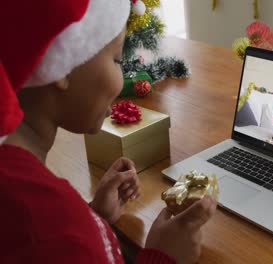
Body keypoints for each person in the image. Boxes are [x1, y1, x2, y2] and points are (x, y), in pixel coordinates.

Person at [0, 1, 217, 263]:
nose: (123, 77)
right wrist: (163, 256)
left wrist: (94, 217)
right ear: (63, 63)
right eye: (117, 59)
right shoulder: (57, 229)